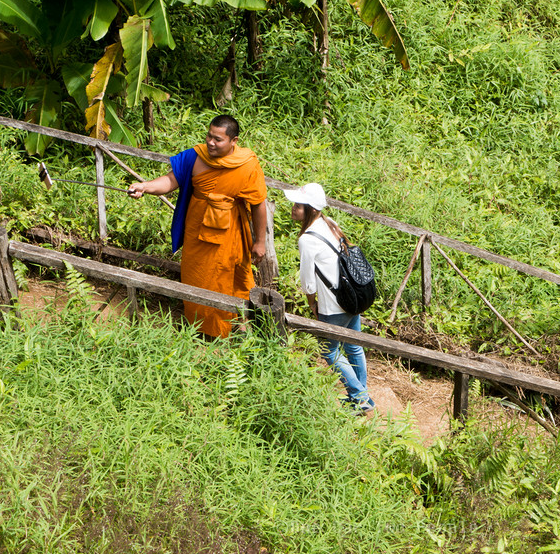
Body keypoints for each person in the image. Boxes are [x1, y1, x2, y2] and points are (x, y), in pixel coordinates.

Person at [128, 115, 267, 338]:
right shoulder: (196, 156)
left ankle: (233, 326)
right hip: (197, 229)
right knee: (197, 276)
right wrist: (145, 186)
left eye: (218, 139)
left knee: (228, 277)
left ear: (234, 141)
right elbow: (170, 181)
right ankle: (200, 328)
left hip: (229, 232)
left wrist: (259, 241)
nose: (211, 142)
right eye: (209, 136)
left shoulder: (247, 164)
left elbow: (259, 204)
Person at [286, 182, 375, 413]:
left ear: (311, 210)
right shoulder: (330, 223)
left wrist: (312, 303)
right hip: (351, 298)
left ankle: (360, 397)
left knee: (328, 351)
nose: (293, 208)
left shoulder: (307, 239)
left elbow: (307, 279)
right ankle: (361, 398)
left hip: (332, 306)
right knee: (354, 347)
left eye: (299, 205)